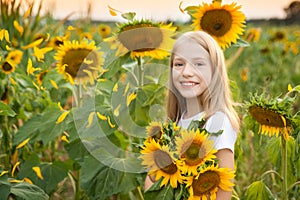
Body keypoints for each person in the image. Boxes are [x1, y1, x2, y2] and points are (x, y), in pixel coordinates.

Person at [144, 31, 240, 199]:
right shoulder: (175, 122)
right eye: (179, 64)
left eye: (198, 64)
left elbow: (223, 192)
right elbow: (152, 178)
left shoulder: (217, 122)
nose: (186, 72)